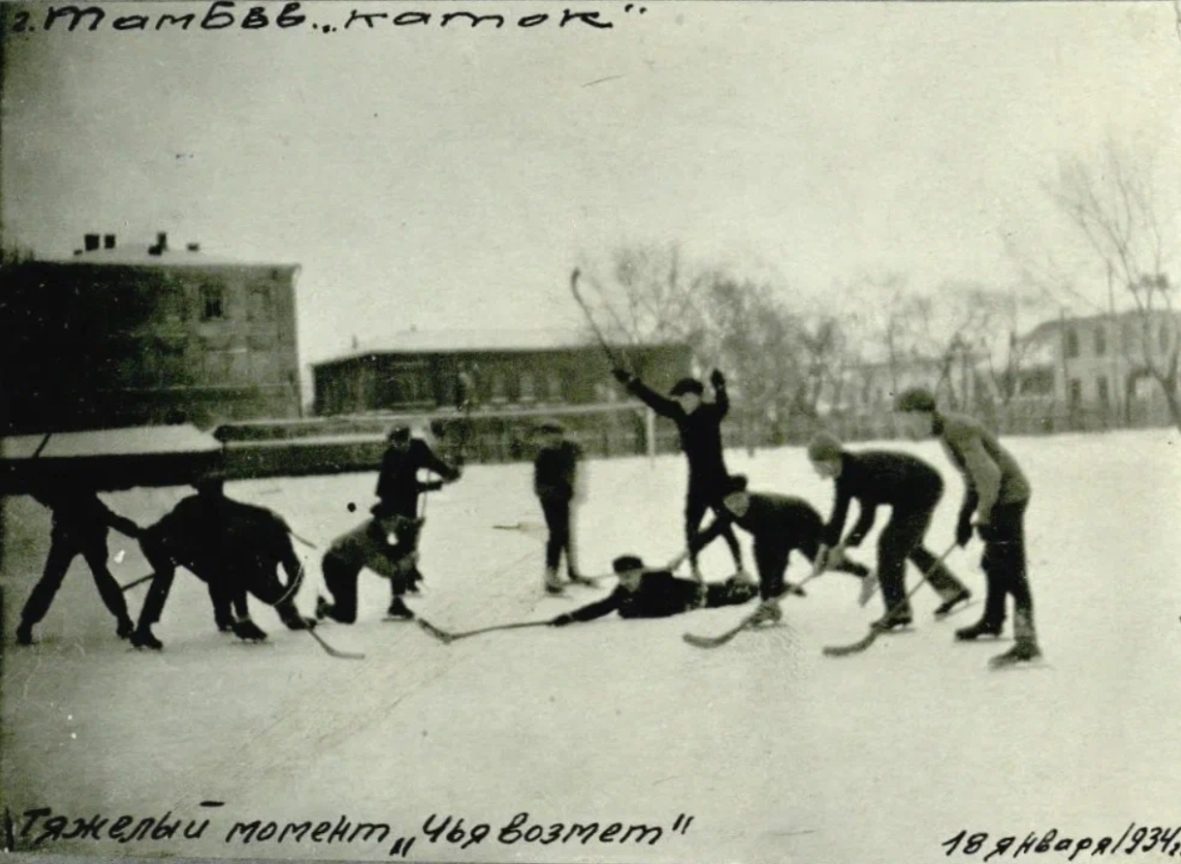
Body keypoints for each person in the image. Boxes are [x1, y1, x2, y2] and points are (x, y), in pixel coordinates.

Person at [894, 387, 1041, 668]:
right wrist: (964, 516)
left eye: (907, 420)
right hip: (997, 495)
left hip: (1008, 497)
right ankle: (993, 619)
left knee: (1010, 568)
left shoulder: (957, 429)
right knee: (992, 563)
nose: (905, 427)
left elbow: (990, 475)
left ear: (922, 414)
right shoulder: (946, 432)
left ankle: (1027, 642)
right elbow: (973, 476)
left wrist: (983, 516)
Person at [806, 432, 972, 632]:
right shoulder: (843, 476)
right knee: (909, 545)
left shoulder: (861, 471)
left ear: (829, 461)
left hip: (923, 488)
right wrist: (822, 552)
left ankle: (898, 611)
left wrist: (843, 547)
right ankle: (953, 591)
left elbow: (867, 518)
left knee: (890, 545)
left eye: (816, 464)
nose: (815, 471)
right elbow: (837, 517)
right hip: (905, 493)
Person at [129, 475, 316, 651]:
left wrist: (289, 609)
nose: (215, 494)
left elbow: (292, 568)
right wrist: (244, 617)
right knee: (175, 575)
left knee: (222, 569)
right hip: (160, 543)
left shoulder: (247, 519)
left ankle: (227, 618)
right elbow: (236, 571)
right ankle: (143, 630)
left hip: (189, 545)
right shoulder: (196, 506)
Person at [683, 474, 872, 626]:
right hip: (772, 532)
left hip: (803, 522)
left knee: (824, 563)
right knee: (761, 557)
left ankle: (866, 573)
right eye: (730, 502)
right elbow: (709, 533)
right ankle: (769, 608)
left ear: (747, 494)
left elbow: (780, 556)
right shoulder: (729, 512)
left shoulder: (767, 509)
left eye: (739, 499)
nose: (736, 506)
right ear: (724, 504)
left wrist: (773, 592)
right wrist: (685, 554)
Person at [612, 367, 745, 580]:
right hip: (697, 482)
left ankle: (740, 569)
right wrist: (630, 381)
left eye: (687, 398)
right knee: (691, 525)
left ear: (697, 397)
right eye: (680, 398)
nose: (683, 402)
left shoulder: (711, 413)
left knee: (724, 526)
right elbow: (653, 400)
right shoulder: (678, 413)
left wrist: (720, 386)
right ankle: (694, 569)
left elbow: (724, 404)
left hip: (719, 481)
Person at [317, 425, 460, 622]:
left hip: (407, 509)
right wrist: (435, 486)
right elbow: (401, 489)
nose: (401, 446)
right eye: (396, 443)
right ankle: (398, 597)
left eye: (404, 441)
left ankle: (402, 586)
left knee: (406, 548)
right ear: (391, 442)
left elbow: (432, 463)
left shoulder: (418, 447)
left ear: (409, 438)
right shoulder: (390, 459)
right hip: (391, 506)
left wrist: (447, 472)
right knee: (398, 554)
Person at [16, 477, 141, 645]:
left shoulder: (62, 496)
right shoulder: (85, 497)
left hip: (68, 534)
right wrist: (139, 533)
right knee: (101, 575)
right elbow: (109, 517)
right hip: (89, 534)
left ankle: (26, 625)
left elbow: (40, 492)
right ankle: (124, 621)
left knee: (51, 580)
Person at [548, 554, 757, 627]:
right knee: (725, 588)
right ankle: (733, 582)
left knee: (741, 596)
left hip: (700, 595)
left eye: (631, 574)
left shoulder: (657, 581)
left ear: (641, 572)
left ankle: (755, 585)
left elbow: (666, 610)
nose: (626, 580)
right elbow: (602, 606)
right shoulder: (622, 591)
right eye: (622, 576)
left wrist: (632, 611)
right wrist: (571, 616)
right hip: (697, 595)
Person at [533, 419, 591, 594]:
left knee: (567, 535)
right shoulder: (543, 455)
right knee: (557, 535)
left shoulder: (568, 449)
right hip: (551, 500)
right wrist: (554, 494)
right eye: (549, 436)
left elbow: (578, 467)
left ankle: (573, 571)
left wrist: (575, 491)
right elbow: (539, 484)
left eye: (557, 434)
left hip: (566, 497)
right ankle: (550, 576)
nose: (553, 439)